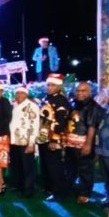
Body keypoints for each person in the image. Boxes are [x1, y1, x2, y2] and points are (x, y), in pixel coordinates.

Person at [64, 82, 103, 204]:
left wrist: (88, 145)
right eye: (78, 91)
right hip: (71, 144)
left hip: (83, 144)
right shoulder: (74, 104)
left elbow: (92, 127)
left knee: (85, 170)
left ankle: (84, 194)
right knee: (71, 168)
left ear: (89, 92)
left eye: (83, 91)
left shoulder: (93, 106)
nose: (80, 93)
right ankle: (68, 189)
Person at [38, 73, 70, 201]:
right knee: (46, 165)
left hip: (53, 139)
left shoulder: (61, 100)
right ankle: (49, 188)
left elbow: (60, 122)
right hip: (43, 137)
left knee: (55, 166)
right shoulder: (47, 98)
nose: (49, 87)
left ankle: (58, 192)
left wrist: (54, 140)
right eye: (48, 85)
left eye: (52, 85)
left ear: (59, 86)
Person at [8, 86, 39, 198]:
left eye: (22, 93)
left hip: (26, 141)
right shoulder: (14, 105)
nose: (19, 95)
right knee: (16, 165)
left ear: (26, 94)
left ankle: (28, 189)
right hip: (14, 141)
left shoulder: (32, 106)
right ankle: (18, 186)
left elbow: (35, 125)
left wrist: (31, 143)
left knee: (27, 167)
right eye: (17, 93)